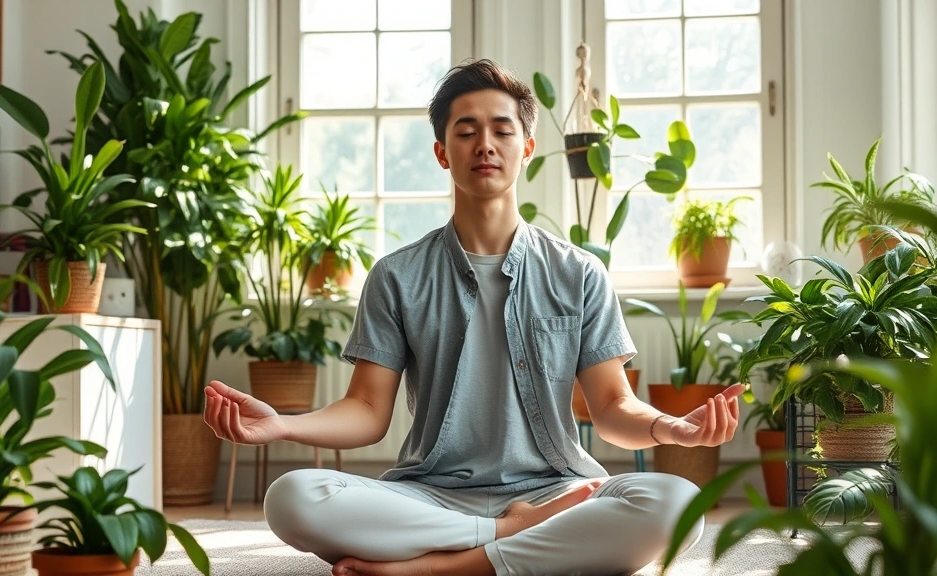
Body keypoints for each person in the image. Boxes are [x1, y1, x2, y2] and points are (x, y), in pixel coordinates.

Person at [203, 59, 746, 576]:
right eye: (466, 131)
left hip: (555, 490)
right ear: (442, 152)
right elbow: (367, 411)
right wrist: (280, 425)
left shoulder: (580, 273)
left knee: (678, 504)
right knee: (293, 498)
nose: (484, 144)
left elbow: (610, 408)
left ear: (527, 147)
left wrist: (671, 427)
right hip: (430, 492)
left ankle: (444, 564)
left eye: (501, 130)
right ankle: (504, 539)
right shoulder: (396, 275)